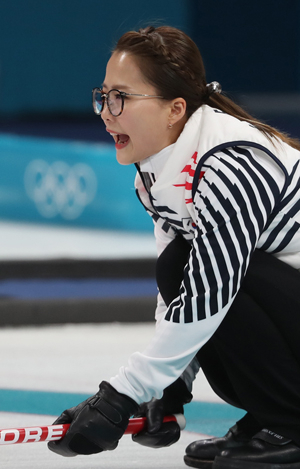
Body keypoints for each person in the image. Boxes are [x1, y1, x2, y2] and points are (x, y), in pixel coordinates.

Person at [48, 25, 300, 469]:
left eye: (121, 97)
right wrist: (169, 389)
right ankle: (272, 416)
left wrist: (120, 396)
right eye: (103, 96)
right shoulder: (157, 173)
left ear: (175, 109)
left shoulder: (229, 165)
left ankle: (292, 420)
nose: (106, 113)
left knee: (213, 278)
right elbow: (178, 292)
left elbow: (210, 292)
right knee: (176, 266)